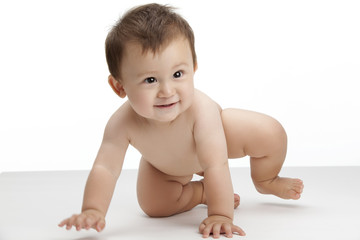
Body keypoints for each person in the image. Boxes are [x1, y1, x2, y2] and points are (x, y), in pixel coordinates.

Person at [58, 3, 304, 238]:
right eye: (150, 80)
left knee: (270, 133)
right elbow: (106, 168)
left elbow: (215, 164)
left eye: (177, 74)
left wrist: (221, 214)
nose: (167, 91)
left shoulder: (201, 111)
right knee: (153, 205)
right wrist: (93, 209)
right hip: (166, 166)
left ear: (193, 68)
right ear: (119, 86)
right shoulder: (121, 124)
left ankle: (266, 179)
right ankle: (201, 192)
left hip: (219, 141)